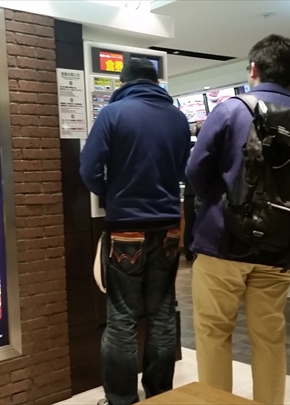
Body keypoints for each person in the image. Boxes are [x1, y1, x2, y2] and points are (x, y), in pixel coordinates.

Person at [186, 34, 290, 405]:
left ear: (253, 68)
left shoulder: (231, 110)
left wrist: (219, 202)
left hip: (223, 243)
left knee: (214, 333)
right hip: (282, 249)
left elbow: (195, 170)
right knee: (270, 338)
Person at [80, 58, 190, 405]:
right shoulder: (178, 118)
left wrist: (111, 194)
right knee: (162, 311)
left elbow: (89, 169)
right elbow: (185, 170)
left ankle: (122, 399)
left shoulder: (113, 114)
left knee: (122, 317)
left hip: (126, 228)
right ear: (155, 82)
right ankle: (159, 394)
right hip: (169, 227)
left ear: (123, 83)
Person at [183, 122, 203, 261]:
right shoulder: (206, 151)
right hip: (200, 193)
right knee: (201, 224)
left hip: (190, 193)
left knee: (189, 224)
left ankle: (188, 253)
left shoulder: (190, 151)